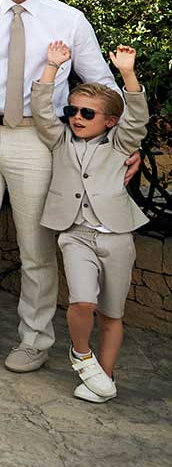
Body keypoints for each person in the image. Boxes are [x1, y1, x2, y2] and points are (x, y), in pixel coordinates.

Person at [0, 0, 120, 374]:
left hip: (38, 139)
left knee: (36, 246)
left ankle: (34, 340)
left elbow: (101, 83)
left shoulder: (68, 19)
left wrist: (119, 143)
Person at [34, 43, 147, 404]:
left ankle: (104, 378)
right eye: (72, 111)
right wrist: (52, 66)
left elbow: (137, 117)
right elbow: (41, 110)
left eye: (87, 113)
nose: (77, 118)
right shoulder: (60, 140)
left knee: (112, 314)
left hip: (117, 237)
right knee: (82, 302)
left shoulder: (121, 143)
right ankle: (82, 355)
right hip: (76, 235)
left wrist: (127, 73)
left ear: (110, 121)